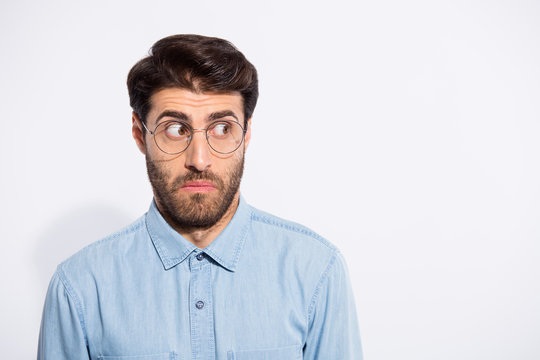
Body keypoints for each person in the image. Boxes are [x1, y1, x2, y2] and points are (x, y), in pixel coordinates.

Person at [37, 34, 362, 360]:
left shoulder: (317, 271)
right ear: (140, 134)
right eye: (175, 129)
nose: (199, 159)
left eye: (222, 128)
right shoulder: (78, 287)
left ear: (246, 134)